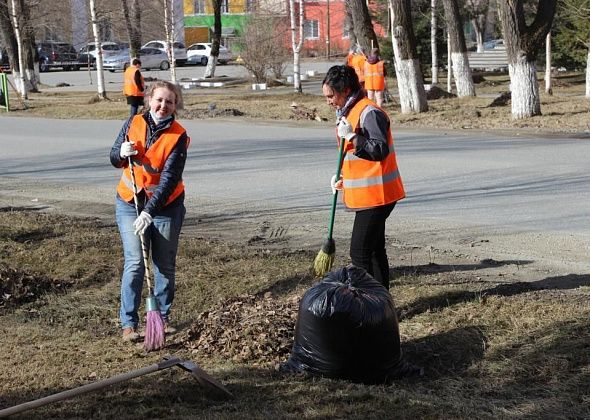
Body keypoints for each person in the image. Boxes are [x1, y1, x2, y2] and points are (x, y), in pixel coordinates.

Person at [110, 80, 190, 342]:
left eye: (169, 101)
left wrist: (149, 212)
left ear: (176, 105)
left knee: (163, 264)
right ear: (149, 100)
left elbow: (168, 180)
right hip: (129, 202)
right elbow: (114, 158)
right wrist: (120, 153)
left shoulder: (178, 136)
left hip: (166, 206)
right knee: (135, 262)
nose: (163, 106)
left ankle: (162, 318)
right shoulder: (132, 123)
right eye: (159, 100)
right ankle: (128, 324)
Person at [322, 65, 405, 290]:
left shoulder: (369, 112)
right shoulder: (349, 112)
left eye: (331, 96)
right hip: (370, 194)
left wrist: (352, 136)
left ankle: (368, 305)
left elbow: (378, 150)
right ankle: (381, 304)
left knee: (359, 253)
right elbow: (354, 156)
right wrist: (341, 177)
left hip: (378, 195)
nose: (328, 101)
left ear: (346, 90)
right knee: (376, 250)